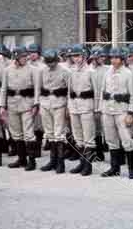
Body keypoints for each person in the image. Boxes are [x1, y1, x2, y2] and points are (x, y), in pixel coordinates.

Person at [0, 45, 41, 170]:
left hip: (27, 103)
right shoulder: (7, 70)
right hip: (12, 104)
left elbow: (37, 88)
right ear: (16, 57)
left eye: (25, 56)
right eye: (22, 56)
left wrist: (36, 104)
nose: (25, 58)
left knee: (28, 133)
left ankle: (32, 161)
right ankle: (21, 159)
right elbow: (4, 88)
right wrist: (2, 105)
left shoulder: (33, 70)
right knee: (16, 132)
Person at [99, 47, 133, 179]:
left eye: (116, 58)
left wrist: (131, 113)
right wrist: (101, 108)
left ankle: (132, 169)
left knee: (127, 140)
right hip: (108, 109)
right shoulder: (107, 72)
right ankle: (114, 168)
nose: (114, 60)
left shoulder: (129, 73)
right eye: (112, 58)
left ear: (122, 59)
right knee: (111, 139)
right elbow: (102, 91)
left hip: (122, 110)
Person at [67, 44, 99, 176]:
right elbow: (69, 91)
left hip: (87, 106)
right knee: (78, 137)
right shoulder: (72, 71)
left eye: (78, 56)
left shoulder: (91, 71)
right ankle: (81, 163)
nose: (76, 58)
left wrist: (97, 109)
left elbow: (97, 91)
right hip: (75, 106)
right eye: (74, 56)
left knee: (88, 137)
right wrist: (69, 107)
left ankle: (88, 165)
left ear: (84, 56)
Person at [37, 48, 70, 174]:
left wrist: (68, 107)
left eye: (52, 62)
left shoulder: (65, 71)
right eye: (48, 62)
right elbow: (39, 88)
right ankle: (52, 161)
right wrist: (39, 103)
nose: (50, 64)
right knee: (49, 133)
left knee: (59, 133)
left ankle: (60, 163)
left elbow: (68, 90)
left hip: (59, 103)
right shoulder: (42, 70)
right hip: (45, 103)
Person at [90, 47, 109, 161]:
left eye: (103, 56)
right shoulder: (89, 70)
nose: (103, 58)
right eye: (101, 56)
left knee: (107, 128)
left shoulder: (107, 69)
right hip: (91, 102)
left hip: (104, 102)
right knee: (95, 129)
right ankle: (98, 152)